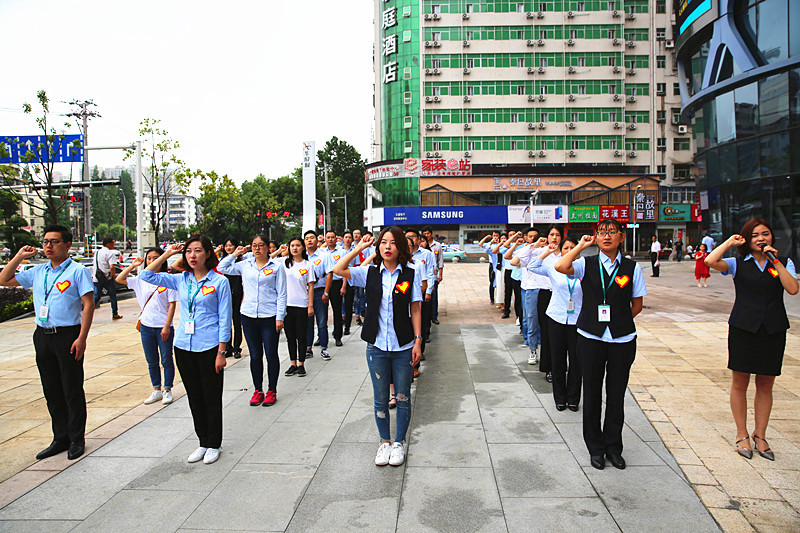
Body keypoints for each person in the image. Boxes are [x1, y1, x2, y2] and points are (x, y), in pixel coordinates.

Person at [555, 219, 647, 471]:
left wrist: (617, 321)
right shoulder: (586, 263)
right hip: (590, 337)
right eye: (601, 233)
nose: (607, 237)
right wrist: (581, 246)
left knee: (616, 396)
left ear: (621, 237)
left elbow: (636, 304)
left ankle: (614, 448)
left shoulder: (631, 267)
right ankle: (595, 448)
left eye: (612, 233)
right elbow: (561, 265)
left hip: (622, 339)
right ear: (596, 237)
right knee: (592, 393)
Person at [704, 218, 798, 461]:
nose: (761, 238)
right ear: (747, 239)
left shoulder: (782, 262)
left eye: (765, 234)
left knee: (766, 383)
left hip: (773, 329)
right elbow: (710, 261)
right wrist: (729, 242)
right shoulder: (738, 263)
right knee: (740, 382)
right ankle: (742, 433)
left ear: (772, 237)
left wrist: (775, 260)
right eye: (755, 235)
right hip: (743, 328)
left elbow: (793, 288)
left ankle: (761, 435)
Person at [0, 225, 95, 461]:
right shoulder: (39, 271)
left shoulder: (77, 271)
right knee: (51, 388)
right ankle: (60, 437)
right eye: (45, 242)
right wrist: (19, 256)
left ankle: (76, 439)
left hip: (68, 335)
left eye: (54, 241)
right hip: (43, 334)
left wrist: (81, 338)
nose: (48, 246)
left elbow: (88, 304)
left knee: (71, 388)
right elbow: (4, 278)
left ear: (67, 245)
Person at [332, 227, 423, 467]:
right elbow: (338, 269)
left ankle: (399, 443)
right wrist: (360, 248)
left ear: (400, 247)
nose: (387, 247)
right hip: (376, 346)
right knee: (380, 399)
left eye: (393, 243)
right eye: (383, 242)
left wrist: (417, 340)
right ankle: (384, 442)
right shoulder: (370, 273)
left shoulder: (411, 273)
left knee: (402, 397)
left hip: (403, 346)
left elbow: (415, 308)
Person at [141, 236, 231, 465]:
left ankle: (214, 443)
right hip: (183, 345)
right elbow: (146, 275)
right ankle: (202, 441)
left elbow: (225, 317)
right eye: (189, 251)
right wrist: (167, 254)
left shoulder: (220, 282)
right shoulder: (181, 279)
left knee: (211, 396)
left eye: (198, 251)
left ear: (208, 253)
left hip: (209, 346)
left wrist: (222, 352)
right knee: (194, 397)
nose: (192, 255)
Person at [218, 235, 287, 407]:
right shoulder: (244, 265)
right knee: (255, 355)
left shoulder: (277, 267)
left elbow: (282, 293)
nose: (257, 249)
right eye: (254, 245)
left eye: (261, 245)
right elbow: (222, 267)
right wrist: (235, 253)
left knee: (271, 354)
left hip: (269, 316)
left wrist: (280, 316)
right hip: (248, 315)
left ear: (267, 248)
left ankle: (272, 390)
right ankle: (258, 390)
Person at [116, 248, 178, 405]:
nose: (152, 261)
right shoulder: (140, 280)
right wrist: (132, 265)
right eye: (149, 258)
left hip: (163, 326)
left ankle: (167, 389)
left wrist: (166, 326)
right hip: (146, 326)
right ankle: (156, 389)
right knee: (151, 360)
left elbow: (171, 306)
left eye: (155, 258)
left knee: (166, 359)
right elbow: (119, 279)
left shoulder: (166, 279)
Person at [528, 236, 583, 411]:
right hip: (556, 317)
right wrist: (547, 252)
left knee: (577, 361)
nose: (568, 251)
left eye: (572, 248)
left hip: (578, 320)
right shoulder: (554, 267)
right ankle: (560, 397)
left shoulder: (584, 268)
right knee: (557, 360)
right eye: (566, 248)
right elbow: (532, 266)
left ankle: (573, 398)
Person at [508, 228, 544, 364]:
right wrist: (530, 246)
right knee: (531, 320)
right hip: (531, 289)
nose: (534, 239)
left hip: (548, 290)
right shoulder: (528, 252)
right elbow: (512, 261)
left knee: (546, 323)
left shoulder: (550, 252)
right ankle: (533, 349)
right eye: (531, 237)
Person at [282, 237, 315, 377]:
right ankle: (293, 363)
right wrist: (280, 251)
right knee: (290, 337)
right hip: (287, 305)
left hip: (302, 304)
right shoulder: (284, 263)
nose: (295, 248)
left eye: (298, 245)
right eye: (292, 246)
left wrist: (310, 305)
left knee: (301, 336)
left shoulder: (308, 265)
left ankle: (301, 364)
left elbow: (311, 287)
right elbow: (267, 259)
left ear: (303, 248)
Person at [305, 230, 331, 360]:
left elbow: (329, 274)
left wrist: (326, 292)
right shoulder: (301, 256)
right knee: (307, 322)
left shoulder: (323, 255)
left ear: (317, 240)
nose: (309, 240)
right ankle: (308, 348)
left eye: (312, 238)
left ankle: (324, 348)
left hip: (319, 291)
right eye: (307, 238)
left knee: (321, 321)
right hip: (304, 294)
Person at [217, 238, 244, 359]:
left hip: (237, 293)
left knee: (237, 322)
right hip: (225, 295)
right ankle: (227, 347)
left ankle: (237, 347)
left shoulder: (241, 262)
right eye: (226, 246)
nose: (228, 248)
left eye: (231, 245)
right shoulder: (223, 261)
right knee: (226, 322)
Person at [93, 237, 122, 319]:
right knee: (113, 296)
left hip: (97, 278)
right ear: (108, 244)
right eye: (112, 243)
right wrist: (113, 276)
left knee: (96, 296)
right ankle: (115, 314)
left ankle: (86, 311)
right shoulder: (110, 253)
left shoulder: (97, 252)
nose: (113, 245)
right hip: (107, 278)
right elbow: (112, 267)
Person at [496, 232, 522, 321]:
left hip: (517, 271)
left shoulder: (521, 246)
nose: (513, 236)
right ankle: (507, 310)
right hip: (508, 271)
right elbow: (496, 250)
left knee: (518, 295)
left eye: (514, 234)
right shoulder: (508, 246)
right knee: (508, 292)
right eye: (510, 235)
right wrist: (514, 237)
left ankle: (519, 315)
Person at [422, 226, 444, 325]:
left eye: (428, 233)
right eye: (424, 233)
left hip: (433, 276)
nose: (426, 235)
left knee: (434, 297)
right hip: (423, 277)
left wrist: (440, 274)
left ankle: (434, 316)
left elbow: (440, 260)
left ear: (431, 234)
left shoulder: (437, 245)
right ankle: (426, 316)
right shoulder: (420, 245)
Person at [339, 231, 356, 336]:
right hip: (338, 280)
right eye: (346, 237)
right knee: (339, 305)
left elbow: (358, 264)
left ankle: (347, 326)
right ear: (343, 239)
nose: (348, 239)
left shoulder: (355, 251)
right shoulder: (339, 251)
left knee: (349, 304)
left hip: (350, 280)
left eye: (350, 237)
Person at [479, 232, 500, 305]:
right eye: (494, 236)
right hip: (492, 265)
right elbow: (480, 244)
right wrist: (487, 238)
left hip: (500, 264)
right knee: (492, 282)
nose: (495, 237)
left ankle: (500, 299)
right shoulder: (489, 245)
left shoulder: (502, 245)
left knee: (501, 283)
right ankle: (492, 298)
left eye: (497, 236)